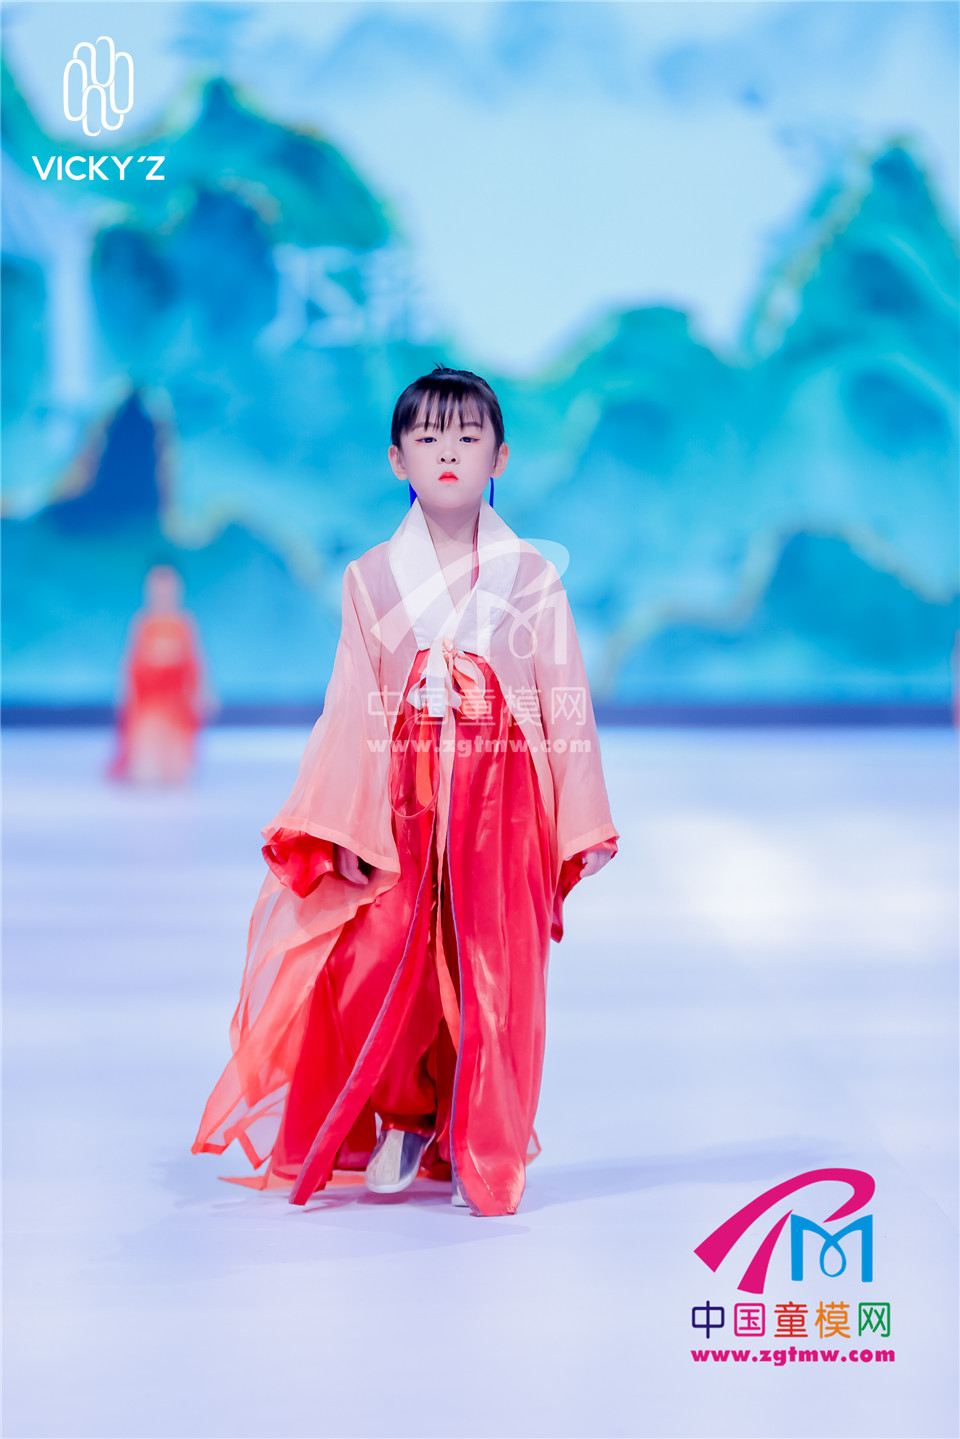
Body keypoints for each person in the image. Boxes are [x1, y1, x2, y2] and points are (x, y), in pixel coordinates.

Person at [191, 367, 619, 1216]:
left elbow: (563, 692)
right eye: (428, 437)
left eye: (468, 436)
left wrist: (579, 819)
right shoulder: (371, 576)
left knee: (497, 965)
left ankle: (485, 1144)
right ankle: (404, 1115)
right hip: (402, 797)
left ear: (501, 456)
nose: (448, 452)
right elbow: (352, 703)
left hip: (504, 796)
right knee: (383, 956)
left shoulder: (532, 576)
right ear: (397, 460)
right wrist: (343, 821)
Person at [108, 565, 212, 785]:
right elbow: (129, 663)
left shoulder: (185, 622)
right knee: (147, 775)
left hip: (176, 708)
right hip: (149, 709)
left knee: (178, 777)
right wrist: (126, 694)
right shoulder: (142, 622)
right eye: (157, 585)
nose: (163, 591)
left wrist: (203, 692)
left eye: (169, 585)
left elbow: (197, 663)